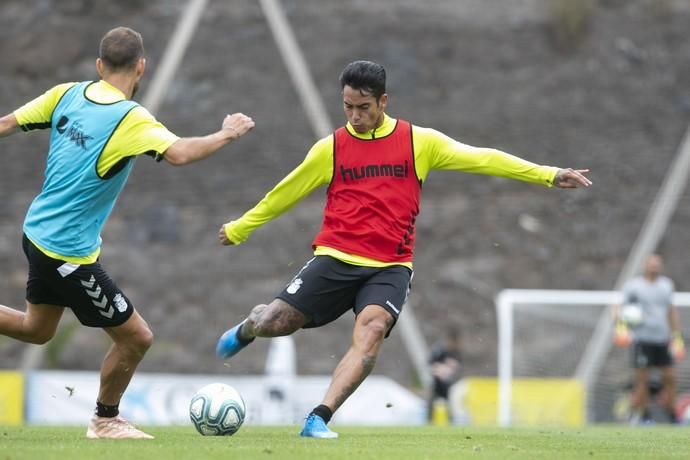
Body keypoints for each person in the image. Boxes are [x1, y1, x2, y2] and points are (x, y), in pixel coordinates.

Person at [215, 60, 591, 438]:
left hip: (390, 267)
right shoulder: (331, 148)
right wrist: (240, 228)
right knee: (275, 324)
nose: (355, 116)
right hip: (335, 258)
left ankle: (318, 418)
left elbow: (484, 157)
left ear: (383, 101)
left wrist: (547, 174)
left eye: (364, 107)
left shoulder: (418, 142)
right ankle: (250, 327)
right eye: (347, 106)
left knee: (373, 330)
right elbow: (284, 194)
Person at [0, 27, 254, 439]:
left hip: (36, 234)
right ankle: (105, 419)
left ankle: (105, 418)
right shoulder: (130, 118)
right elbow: (179, 153)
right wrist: (227, 133)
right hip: (66, 252)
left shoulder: (67, 93)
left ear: (99, 66)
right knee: (137, 338)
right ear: (141, 67)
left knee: (37, 330)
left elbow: (7, 123)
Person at [613, 254, 685, 424]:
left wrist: (677, 336)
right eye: (651, 264)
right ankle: (644, 416)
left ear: (661, 266)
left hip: (662, 340)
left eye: (657, 265)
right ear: (645, 265)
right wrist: (621, 327)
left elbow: (671, 311)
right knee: (642, 380)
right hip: (642, 340)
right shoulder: (634, 286)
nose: (654, 267)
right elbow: (618, 307)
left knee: (670, 377)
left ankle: (673, 416)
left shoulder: (666, 285)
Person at [427, 326, 463, 424]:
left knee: (449, 403)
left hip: (448, 382)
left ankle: (450, 422)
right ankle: (429, 422)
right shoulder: (440, 351)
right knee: (432, 402)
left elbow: (457, 366)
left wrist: (449, 370)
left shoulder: (456, 352)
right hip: (437, 380)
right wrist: (439, 369)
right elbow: (430, 362)